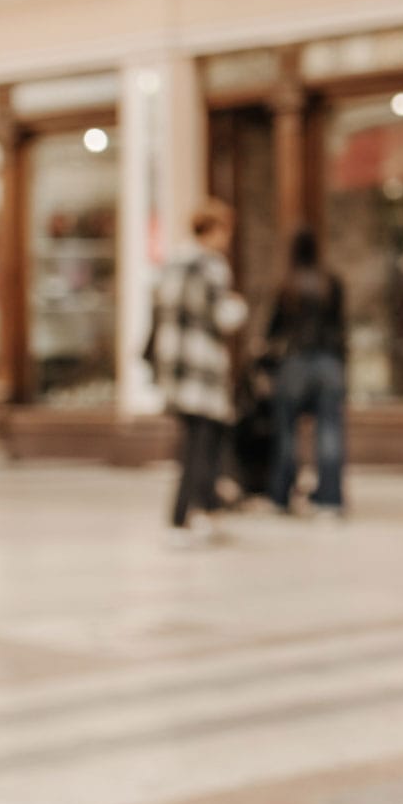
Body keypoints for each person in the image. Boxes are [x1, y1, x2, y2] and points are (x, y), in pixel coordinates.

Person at [149, 199, 248, 545]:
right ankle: (201, 512)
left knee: (191, 443)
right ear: (213, 230)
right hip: (201, 365)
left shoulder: (174, 263)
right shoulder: (209, 267)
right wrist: (238, 307)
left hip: (176, 364)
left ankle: (182, 515)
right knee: (205, 442)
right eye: (225, 230)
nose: (228, 239)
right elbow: (221, 316)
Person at [266, 229, 349, 518]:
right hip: (328, 363)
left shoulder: (288, 286)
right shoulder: (331, 283)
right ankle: (330, 499)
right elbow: (341, 327)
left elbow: (273, 331)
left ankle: (281, 494)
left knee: (287, 433)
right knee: (329, 433)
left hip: (295, 364)